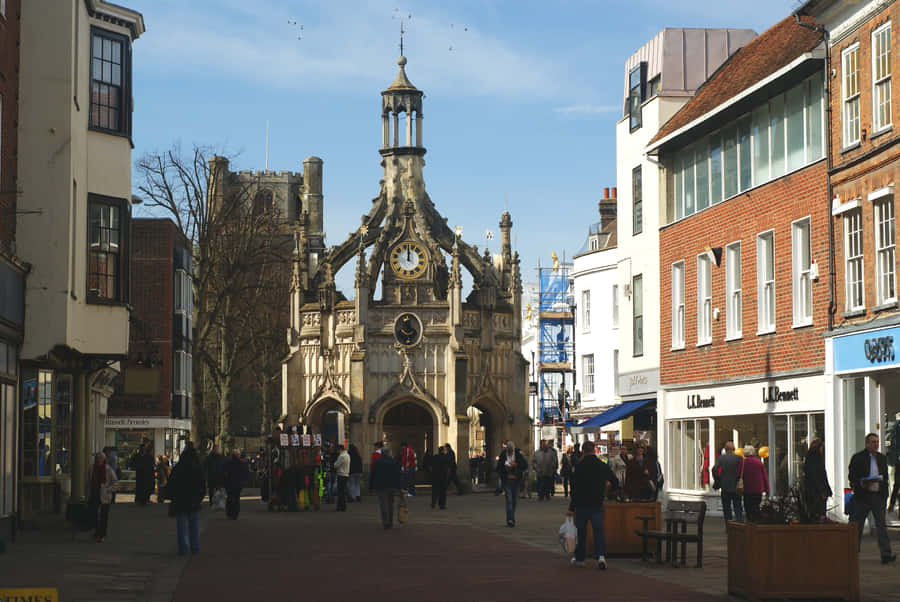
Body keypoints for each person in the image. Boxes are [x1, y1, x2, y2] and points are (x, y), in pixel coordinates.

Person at [567, 440, 618, 569]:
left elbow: (574, 489)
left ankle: (580, 558)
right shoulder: (602, 465)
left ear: (583, 451)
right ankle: (601, 557)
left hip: (582, 504)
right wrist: (606, 491)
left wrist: (572, 508)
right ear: (594, 450)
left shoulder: (579, 466)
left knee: (581, 532)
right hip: (597, 503)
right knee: (598, 530)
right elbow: (615, 481)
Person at [848, 433, 896, 564]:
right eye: (873, 442)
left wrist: (884, 494)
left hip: (877, 497)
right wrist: (860, 483)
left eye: (877, 442)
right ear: (867, 444)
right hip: (862, 497)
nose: (876, 444)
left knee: (881, 526)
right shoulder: (858, 458)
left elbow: (885, 477)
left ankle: (886, 554)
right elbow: (852, 476)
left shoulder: (881, 458)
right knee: (857, 526)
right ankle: (851, 554)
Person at [167, 441, 206, 555]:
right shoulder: (197, 468)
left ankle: (183, 548)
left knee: (181, 526)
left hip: (180, 500)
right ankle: (195, 546)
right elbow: (202, 485)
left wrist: (172, 497)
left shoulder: (178, 468)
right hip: (193, 500)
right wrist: (199, 498)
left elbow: (171, 484)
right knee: (194, 525)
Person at [87, 451, 117, 543]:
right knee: (94, 515)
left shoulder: (108, 469)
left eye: (101, 458)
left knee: (104, 516)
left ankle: (102, 534)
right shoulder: (92, 468)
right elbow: (88, 482)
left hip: (105, 496)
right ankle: (97, 532)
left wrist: (109, 490)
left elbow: (115, 482)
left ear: (104, 460)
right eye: (98, 458)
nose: (99, 460)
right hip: (94, 494)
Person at [369, 446, 402, 529]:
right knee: (390, 504)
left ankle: (385, 521)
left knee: (383, 503)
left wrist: (371, 487)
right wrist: (399, 487)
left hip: (381, 485)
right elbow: (398, 475)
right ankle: (390, 521)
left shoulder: (377, 462)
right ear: (389, 453)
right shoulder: (394, 462)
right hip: (392, 485)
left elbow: (372, 475)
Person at [496, 441, 527, 527]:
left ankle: (511, 518)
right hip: (507, 480)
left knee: (514, 501)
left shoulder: (518, 454)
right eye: (508, 451)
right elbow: (498, 467)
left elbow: (524, 465)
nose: (510, 453)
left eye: (511, 451)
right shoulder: (503, 455)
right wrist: (505, 468)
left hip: (516, 480)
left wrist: (516, 464)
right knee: (509, 500)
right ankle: (510, 519)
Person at [713, 441, 744, 522]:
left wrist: (718, 480)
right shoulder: (739, 458)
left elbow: (714, 469)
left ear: (725, 449)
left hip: (725, 486)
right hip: (736, 486)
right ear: (733, 449)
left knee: (727, 508)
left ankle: (728, 526)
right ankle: (739, 524)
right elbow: (742, 472)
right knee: (737, 507)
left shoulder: (721, 458)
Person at [803, 438, 832, 522]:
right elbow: (817, 477)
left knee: (814, 514)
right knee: (819, 513)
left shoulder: (809, 460)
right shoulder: (816, 462)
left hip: (812, 491)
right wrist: (822, 491)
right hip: (816, 493)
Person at [741, 445, 769, 521]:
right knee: (756, 508)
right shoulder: (759, 462)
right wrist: (767, 489)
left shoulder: (742, 463)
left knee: (748, 509)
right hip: (758, 490)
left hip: (747, 490)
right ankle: (756, 525)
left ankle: (750, 526)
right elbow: (765, 477)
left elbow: (738, 475)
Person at [223, 449, 249, 520]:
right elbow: (245, 473)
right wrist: (244, 481)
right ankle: (235, 514)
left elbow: (224, 473)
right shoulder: (241, 463)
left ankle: (229, 513)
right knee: (237, 498)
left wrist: (225, 482)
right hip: (238, 484)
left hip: (229, 484)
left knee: (230, 498)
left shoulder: (228, 462)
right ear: (238, 455)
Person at [131, 442, 155, 506]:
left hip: (145, 474)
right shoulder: (139, 456)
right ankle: (140, 499)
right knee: (140, 487)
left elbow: (151, 465)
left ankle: (144, 499)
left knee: (144, 487)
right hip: (140, 474)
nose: (143, 450)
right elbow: (133, 464)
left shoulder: (148, 456)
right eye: (143, 448)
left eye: (144, 448)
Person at [431, 445, 450, 510]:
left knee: (435, 491)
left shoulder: (435, 457)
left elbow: (432, 466)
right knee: (442, 492)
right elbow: (447, 467)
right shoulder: (445, 457)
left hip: (435, 476)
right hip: (443, 477)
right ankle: (442, 505)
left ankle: (433, 503)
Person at [334, 444, 350, 511]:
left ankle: (340, 506)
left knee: (340, 492)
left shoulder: (342, 456)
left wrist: (334, 464)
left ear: (340, 449)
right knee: (343, 491)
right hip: (346, 474)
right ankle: (342, 506)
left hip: (341, 474)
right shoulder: (347, 455)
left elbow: (336, 465)